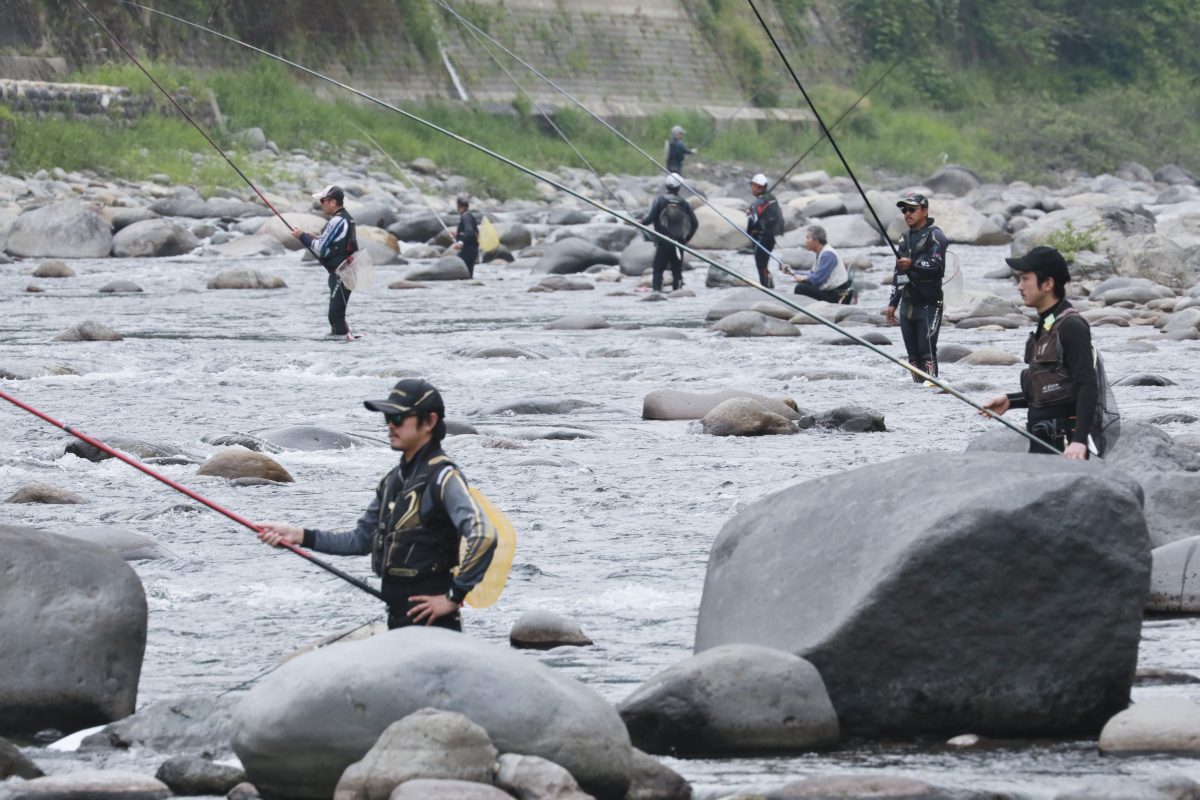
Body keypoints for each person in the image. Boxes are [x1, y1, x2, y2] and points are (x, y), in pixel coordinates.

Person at [258, 379, 498, 630]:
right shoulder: (394, 480)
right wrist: (296, 535)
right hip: (398, 617)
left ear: (429, 422)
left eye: (397, 418)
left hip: (434, 626)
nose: (389, 426)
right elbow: (360, 541)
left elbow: (484, 535)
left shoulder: (444, 478)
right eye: (387, 418)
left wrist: (453, 597)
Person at [982, 247, 1097, 460]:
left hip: (1065, 444)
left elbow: (1087, 385)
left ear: (1048, 284)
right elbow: (1055, 386)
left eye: (1025, 279)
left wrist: (1079, 441)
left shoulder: (1072, 326)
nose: (1020, 286)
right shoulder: (1047, 323)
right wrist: (1011, 401)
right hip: (1044, 437)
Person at [886, 192, 948, 381]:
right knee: (912, 357)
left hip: (930, 304)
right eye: (904, 210)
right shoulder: (904, 238)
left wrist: (912, 264)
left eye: (912, 209)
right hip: (907, 305)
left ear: (925, 211)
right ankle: (917, 395)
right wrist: (892, 302)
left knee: (927, 353)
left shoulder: (936, 236)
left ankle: (931, 391)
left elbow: (937, 267)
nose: (907, 214)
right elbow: (899, 273)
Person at [292, 185, 358, 337]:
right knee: (337, 314)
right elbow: (332, 243)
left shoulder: (337, 221)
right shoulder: (345, 218)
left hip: (342, 272)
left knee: (335, 315)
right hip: (345, 271)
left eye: (323, 201)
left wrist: (302, 236)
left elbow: (320, 248)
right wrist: (309, 236)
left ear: (333, 202)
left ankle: (341, 346)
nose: (321, 204)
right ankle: (344, 338)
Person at [641, 172, 698, 292]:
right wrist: (686, 239)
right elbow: (695, 224)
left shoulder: (660, 200)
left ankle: (656, 293)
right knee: (677, 271)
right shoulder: (684, 203)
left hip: (663, 241)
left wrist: (637, 222)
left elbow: (648, 220)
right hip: (679, 242)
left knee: (658, 269)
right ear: (680, 187)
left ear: (666, 185)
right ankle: (678, 292)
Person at [789, 224, 854, 303]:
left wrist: (803, 278)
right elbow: (812, 274)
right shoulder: (821, 252)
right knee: (804, 285)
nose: (805, 242)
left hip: (836, 294)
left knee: (800, 288)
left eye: (808, 238)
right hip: (830, 291)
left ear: (816, 240)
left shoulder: (827, 254)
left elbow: (818, 279)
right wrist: (792, 272)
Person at [746, 173, 782, 288]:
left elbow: (754, 221)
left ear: (758, 187)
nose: (751, 187)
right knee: (764, 265)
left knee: (761, 265)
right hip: (771, 238)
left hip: (760, 238)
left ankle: (765, 288)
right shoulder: (772, 199)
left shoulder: (757, 203)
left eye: (753, 185)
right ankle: (770, 287)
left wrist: (750, 214)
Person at [453, 194, 479, 278]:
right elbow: (472, 232)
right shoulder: (469, 216)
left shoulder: (465, 217)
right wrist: (457, 235)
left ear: (459, 206)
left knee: (464, 275)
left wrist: (460, 242)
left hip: (468, 251)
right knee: (468, 275)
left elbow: (470, 232)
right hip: (472, 250)